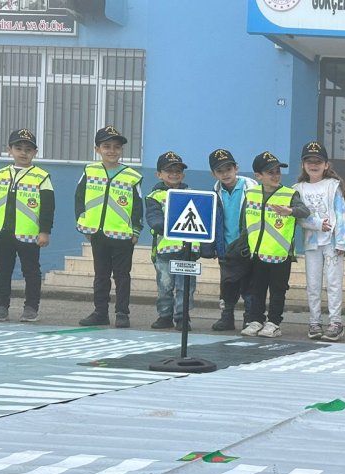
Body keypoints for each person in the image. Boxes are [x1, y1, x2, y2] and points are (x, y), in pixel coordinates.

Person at [0, 128, 52, 323]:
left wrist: (44, 232)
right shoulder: (0, 174)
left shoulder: (41, 176)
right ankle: (1, 307)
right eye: (18, 148)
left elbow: (47, 208)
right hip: (2, 232)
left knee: (31, 271)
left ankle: (30, 308)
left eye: (28, 149)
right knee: (2, 271)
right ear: (9, 150)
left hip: (29, 234)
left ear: (35, 152)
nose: (23, 152)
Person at [75, 126, 143, 328]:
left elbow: (138, 205)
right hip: (97, 233)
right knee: (101, 275)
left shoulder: (132, 175)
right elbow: (79, 199)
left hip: (123, 235)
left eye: (116, 147)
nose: (112, 151)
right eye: (107, 146)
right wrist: (84, 225)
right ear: (97, 149)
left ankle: (122, 313)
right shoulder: (90, 171)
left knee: (122, 276)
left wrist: (136, 229)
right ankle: (100, 312)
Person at [240, 151, 310, 338]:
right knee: (257, 289)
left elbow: (305, 211)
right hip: (257, 252)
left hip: (280, 253)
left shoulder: (289, 194)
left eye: (277, 171)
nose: (275, 175)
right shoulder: (251, 194)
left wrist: (291, 210)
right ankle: (256, 320)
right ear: (258, 176)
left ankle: (273, 322)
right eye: (270, 172)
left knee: (278, 291)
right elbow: (244, 221)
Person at [293, 141, 345, 341]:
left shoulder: (333, 186)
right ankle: (314, 321)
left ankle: (335, 322)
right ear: (303, 165)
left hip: (332, 242)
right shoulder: (297, 188)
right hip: (311, 242)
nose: (314, 165)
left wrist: (342, 241)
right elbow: (298, 216)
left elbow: (341, 214)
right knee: (313, 283)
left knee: (333, 282)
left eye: (318, 161)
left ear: (326, 165)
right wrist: (317, 224)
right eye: (309, 161)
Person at [143, 151, 196, 330]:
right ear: (159, 174)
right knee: (165, 286)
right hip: (164, 251)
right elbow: (154, 219)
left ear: (183, 174)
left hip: (188, 251)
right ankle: (165, 315)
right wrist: (171, 224)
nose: (174, 174)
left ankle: (182, 318)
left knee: (186, 287)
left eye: (178, 170)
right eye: (169, 170)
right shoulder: (154, 197)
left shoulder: (192, 194)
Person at [207, 148, 258, 332]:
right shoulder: (215, 192)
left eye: (228, 169)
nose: (225, 174)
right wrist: (212, 245)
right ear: (214, 173)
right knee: (227, 285)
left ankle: (249, 318)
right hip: (226, 247)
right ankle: (226, 317)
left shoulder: (251, 189)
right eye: (220, 170)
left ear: (236, 168)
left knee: (249, 286)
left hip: (247, 247)